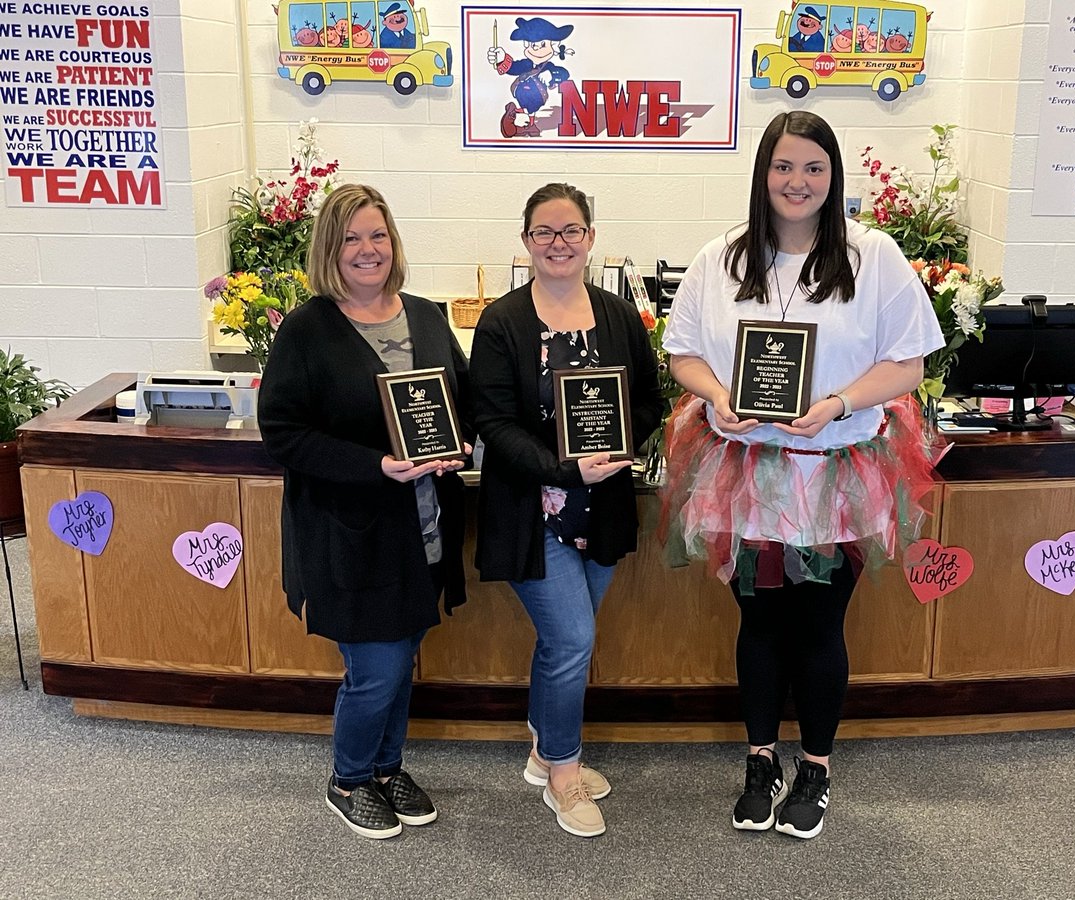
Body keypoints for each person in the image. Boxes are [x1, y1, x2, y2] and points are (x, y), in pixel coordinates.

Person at [661, 111, 943, 840]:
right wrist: (717, 397)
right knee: (758, 623)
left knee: (819, 624)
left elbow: (909, 363)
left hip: (837, 468)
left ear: (832, 175)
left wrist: (839, 403)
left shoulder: (872, 254)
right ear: (763, 173)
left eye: (813, 168)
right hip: (746, 468)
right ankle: (761, 761)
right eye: (784, 167)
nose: (797, 182)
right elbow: (682, 353)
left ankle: (814, 768)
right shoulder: (720, 256)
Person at [257, 184, 474, 840]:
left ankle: (386, 767)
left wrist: (461, 441)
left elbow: (457, 398)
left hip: (423, 527)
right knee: (376, 668)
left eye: (377, 235)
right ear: (330, 248)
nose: (367, 249)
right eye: (351, 237)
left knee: (403, 655)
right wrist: (376, 465)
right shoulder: (307, 330)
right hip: (348, 533)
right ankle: (349, 778)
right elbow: (283, 433)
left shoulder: (428, 316)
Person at [470, 183, 662, 838]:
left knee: (563, 641)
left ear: (590, 238)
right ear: (526, 241)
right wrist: (561, 468)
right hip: (534, 508)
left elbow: (647, 402)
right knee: (573, 639)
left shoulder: (616, 315)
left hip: (601, 508)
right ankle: (561, 771)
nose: (559, 244)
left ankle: (541, 747)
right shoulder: (502, 323)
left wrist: (620, 444)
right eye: (545, 232)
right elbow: (492, 422)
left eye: (571, 231)